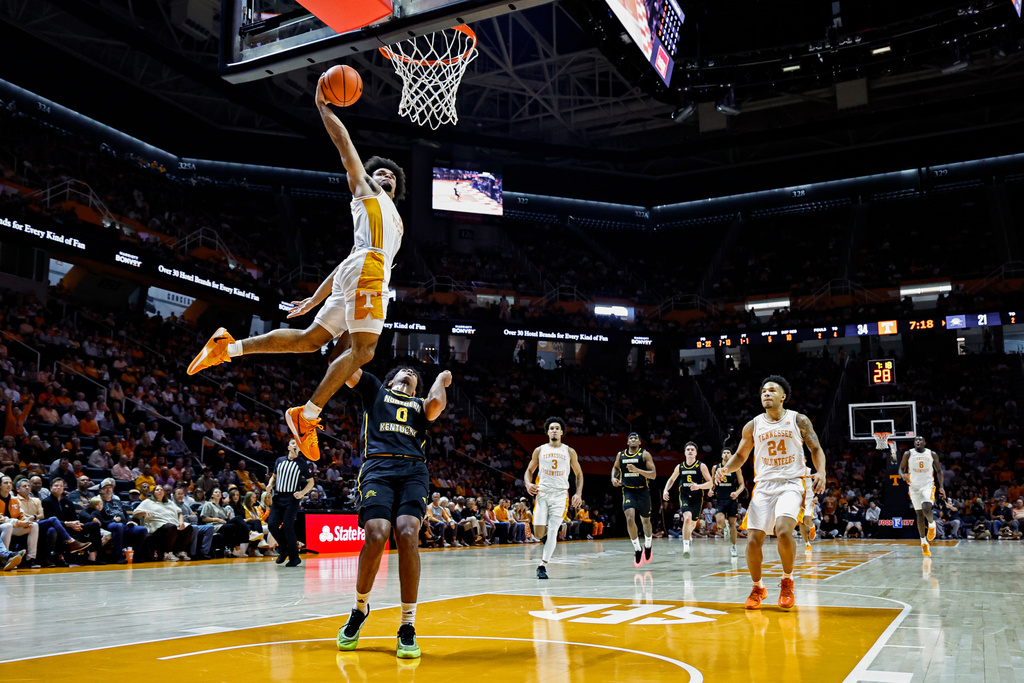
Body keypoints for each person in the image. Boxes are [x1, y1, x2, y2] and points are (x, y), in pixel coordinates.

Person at [187, 75, 409, 465]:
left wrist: (316, 297)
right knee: (366, 350)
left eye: (393, 174)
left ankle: (228, 347)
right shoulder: (366, 191)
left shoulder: (396, 221)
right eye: (381, 171)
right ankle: (305, 416)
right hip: (369, 270)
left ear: (398, 188)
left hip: (358, 271)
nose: (386, 174)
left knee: (309, 339)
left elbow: (349, 262)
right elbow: (344, 144)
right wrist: (324, 108)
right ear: (370, 179)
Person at [336, 366, 451, 660]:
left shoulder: (421, 405)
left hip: (413, 470)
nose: (409, 371)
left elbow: (436, 405)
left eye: (414, 374)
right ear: (390, 380)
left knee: (408, 532)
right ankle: (360, 609)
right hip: (378, 468)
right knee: (377, 533)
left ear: (416, 390)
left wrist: (441, 378)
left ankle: (407, 624)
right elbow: (347, 369)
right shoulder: (377, 390)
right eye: (403, 370)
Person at [714, 375, 826, 611]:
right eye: (763, 390)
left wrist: (822, 472)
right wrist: (725, 469)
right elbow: (741, 456)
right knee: (754, 541)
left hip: (791, 483)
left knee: (785, 531)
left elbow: (815, 448)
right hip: (764, 486)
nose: (766, 393)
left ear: (783, 396)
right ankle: (758, 587)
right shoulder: (753, 425)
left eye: (772, 390)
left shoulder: (798, 420)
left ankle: (787, 581)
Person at [524, 417, 584, 579]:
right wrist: (528, 484)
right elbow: (529, 471)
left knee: (552, 531)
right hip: (543, 494)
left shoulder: (569, 451)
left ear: (562, 432)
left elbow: (579, 474)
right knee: (538, 533)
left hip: (560, 495)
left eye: (557, 428)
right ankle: (545, 540)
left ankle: (542, 565)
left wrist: (577, 493)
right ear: (547, 432)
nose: (555, 430)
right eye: (552, 428)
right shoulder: (539, 450)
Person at [266, 439, 315, 567]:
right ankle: (284, 548)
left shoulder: (302, 463)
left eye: (298, 445)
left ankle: (294, 557)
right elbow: (274, 477)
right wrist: (270, 485)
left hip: (291, 499)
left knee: (288, 527)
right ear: (288, 447)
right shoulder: (279, 460)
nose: (295, 445)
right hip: (278, 498)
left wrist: (302, 493)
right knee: (271, 525)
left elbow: (311, 482)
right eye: (293, 443)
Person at [611, 432, 656, 567]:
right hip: (628, 490)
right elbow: (615, 467)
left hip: (643, 490)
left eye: (636, 438)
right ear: (627, 442)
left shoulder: (645, 454)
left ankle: (648, 546)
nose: (633, 440)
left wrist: (637, 470)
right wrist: (613, 478)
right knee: (630, 518)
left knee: (646, 521)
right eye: (631, 438)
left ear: (640, 442)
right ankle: (637, 549)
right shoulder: (621, 455)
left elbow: (653, 475)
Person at [662, 442, 711, 558]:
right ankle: (686, 546)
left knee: (693, 523)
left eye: (692, 449)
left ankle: (688, 534)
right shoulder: (680, 467)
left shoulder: (701, 466)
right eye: (688, 449)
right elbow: (671, 479)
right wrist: (665, 490)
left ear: (696, 453)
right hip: (684, 495)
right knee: (687, 518)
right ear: (684, 452)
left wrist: (698, 486)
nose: (690, 451)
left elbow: (710, 482)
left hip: (697, 497)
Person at [900, 436, 945, 557]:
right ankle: (923, 542)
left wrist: (941, 486)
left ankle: (931, 524)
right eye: (916, 440)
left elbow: (939, 471)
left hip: (927, 485)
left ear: (925, 443)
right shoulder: (908, 454)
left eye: (920, 440)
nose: (918, 442)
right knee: (919, 514)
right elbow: (901, 469)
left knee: (926, 508)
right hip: (913, 487)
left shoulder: (932, 454)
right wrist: (902, 475)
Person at [133, 485, 194, 562]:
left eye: (161, 489)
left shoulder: (169, 502)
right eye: (157, 490)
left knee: (188, 527)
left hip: (173, 524)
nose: (159, 491)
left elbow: (179, 513)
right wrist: (144, 512)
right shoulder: (148, 502)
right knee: (171, 527)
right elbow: (135, 513)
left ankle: (181, 552)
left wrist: (181, 522)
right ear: (153, 492)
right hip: (157, 526)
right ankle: (167, 553)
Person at [707, 445, 746, 557]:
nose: (726, 454)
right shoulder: (716, 468)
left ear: (732, 455)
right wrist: (710, 490)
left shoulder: (737, 468)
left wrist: (737, 493)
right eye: (724, 452)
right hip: (720, 499)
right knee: (719, 522)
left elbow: (742, 484)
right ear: (721, 455)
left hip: (732, 499)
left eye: (728, 452)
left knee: (733, 523)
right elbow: (712, 483)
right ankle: (725, 527)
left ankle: (733, 547)